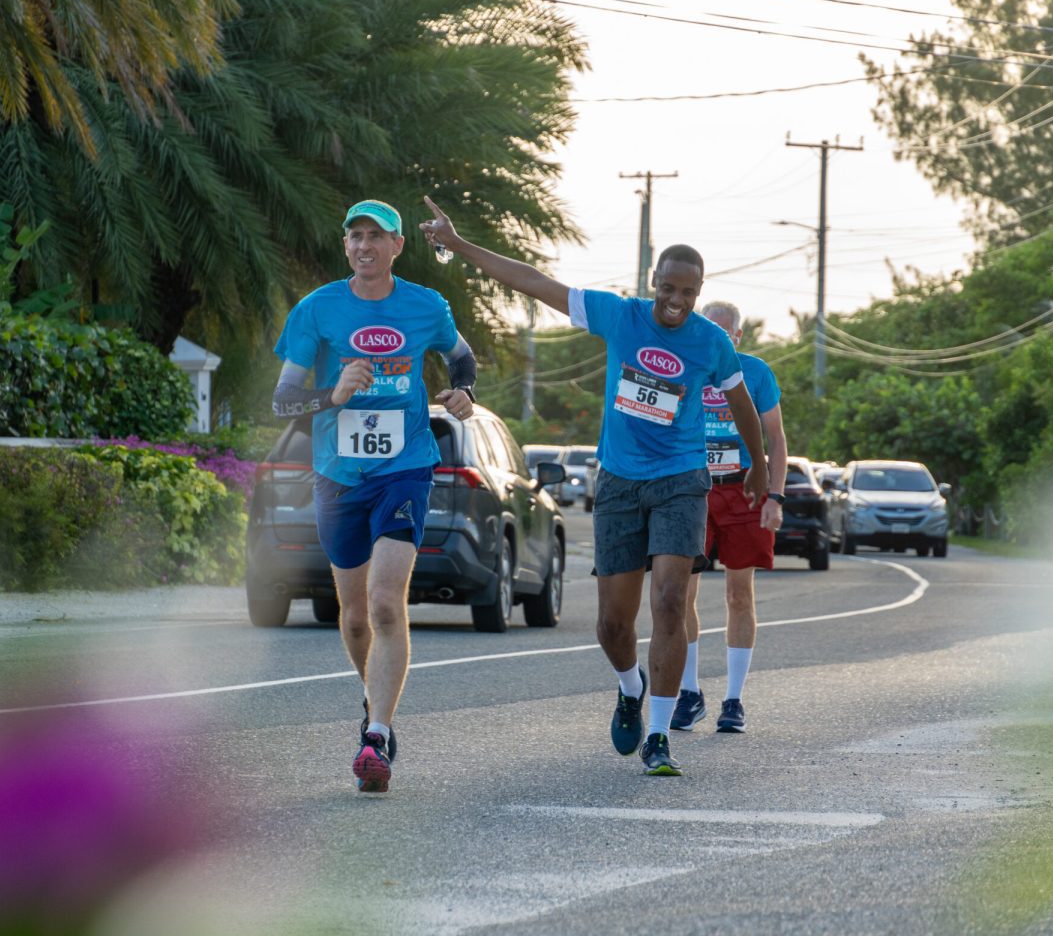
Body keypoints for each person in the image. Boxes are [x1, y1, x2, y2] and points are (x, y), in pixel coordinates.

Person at [420, 196, 768, 777]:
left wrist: (757, 466)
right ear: (652, 281)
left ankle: (659, 734)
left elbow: (742, 403)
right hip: (620, 484)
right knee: (612, 623)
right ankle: (630, 688)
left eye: (689, 292)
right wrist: (457, 245)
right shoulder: (618, 315)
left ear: (699, 292)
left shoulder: (713, 341)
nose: (677, 302)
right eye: (669, 289)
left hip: (682, 481)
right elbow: (534, 281)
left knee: (669, 602)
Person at [270, 198, 478, 794]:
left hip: (405, 468)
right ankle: (373, 702)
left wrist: (461, 392)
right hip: (338, 477)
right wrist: (332, 394)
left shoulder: (425, 305)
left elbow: (460, 359)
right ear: (345, 246)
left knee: (388, 603)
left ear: (397, 246)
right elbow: (283, 402)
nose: (364, 246)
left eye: (376, 236)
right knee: (355, 616)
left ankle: (378, 735)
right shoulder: (317, 310)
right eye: (354, 236)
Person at [671, 301, 787, 735]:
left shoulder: (756, 373)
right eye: (708, 329)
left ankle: (734, 700)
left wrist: (775, 495)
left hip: (744, 490)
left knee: (740, 594)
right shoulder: (683, 366)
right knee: (679, 592)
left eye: (724, 333)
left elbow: (776, 438)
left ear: (737, 337)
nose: (715, 339)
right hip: (692, 489)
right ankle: (689, 691)